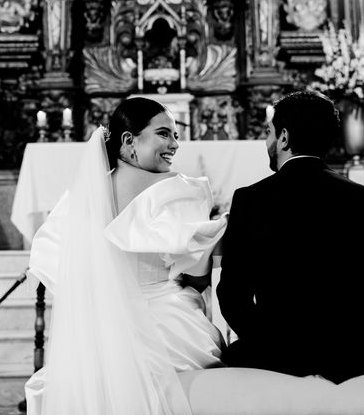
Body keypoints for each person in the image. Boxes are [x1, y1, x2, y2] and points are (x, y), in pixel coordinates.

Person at [24, 97, 227, 414]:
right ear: (129, 140)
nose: (175, 144)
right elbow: (196, 269)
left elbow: (53, 257)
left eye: (174, 135)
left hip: (99, 331)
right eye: (164, 134)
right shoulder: (177, 189)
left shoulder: (82, 195)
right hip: (167, 322)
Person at [216, 90, 364, 384]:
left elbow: (232, 295)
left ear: (283, 137)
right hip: (358, 356)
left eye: (269, 133)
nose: (267, 142)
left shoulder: (250, 200)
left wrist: (273, 346)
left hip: (276, 356)